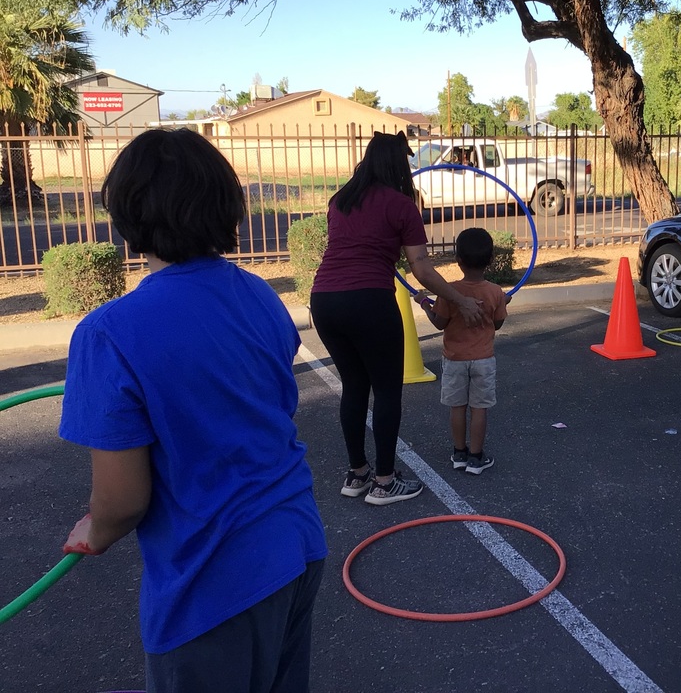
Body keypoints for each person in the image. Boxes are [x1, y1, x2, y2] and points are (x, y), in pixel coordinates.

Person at [60, 128, 328, 692]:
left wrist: (97, 529)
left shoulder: (108, 334)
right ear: (226, 205)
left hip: (213, 582)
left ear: (129, 215)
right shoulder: (259, 294)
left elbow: (122, 500)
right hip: (296, 543)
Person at [310, 131, 484, 505]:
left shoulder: (340, 200)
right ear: (397, 164)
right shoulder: (401, 204)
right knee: (386, 389)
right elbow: (420, 267)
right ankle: (385, 482)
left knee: (354, 386)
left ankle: (357, 474)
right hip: (369, 301)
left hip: (324, 301)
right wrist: (460, 301)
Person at [414, 228, 509, 474]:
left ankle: (459, 454)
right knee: (479, 408)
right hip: (484, 361)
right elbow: (497, 325)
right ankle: (476, 457)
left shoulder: (449, 292)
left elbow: (439, 323)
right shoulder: (495, 292)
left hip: (455, 360)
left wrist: (425, 303)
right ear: (490, 260)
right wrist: (500, 303)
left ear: (458, 260)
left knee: (457, 407)